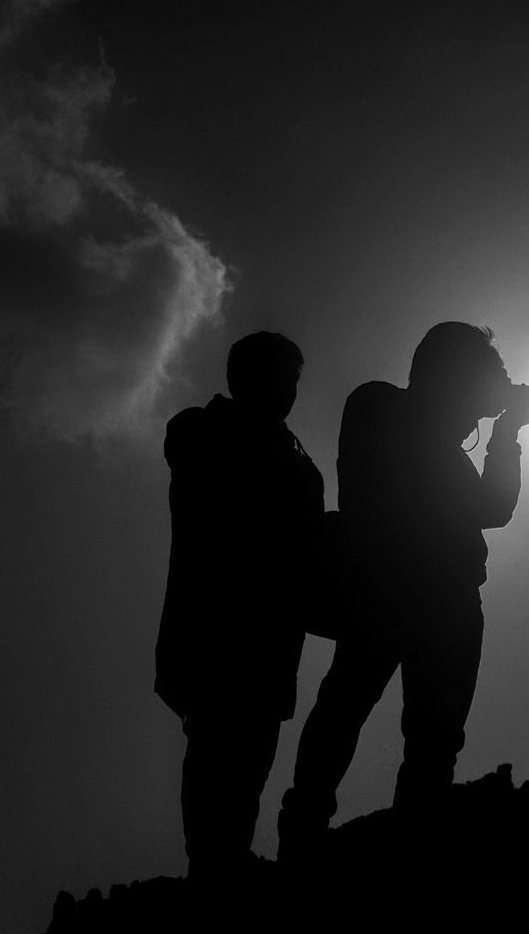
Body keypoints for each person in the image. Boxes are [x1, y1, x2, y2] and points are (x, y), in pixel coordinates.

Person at [278, 322, 529, 855]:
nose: (475, 413)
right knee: (347, 714)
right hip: (390, 593)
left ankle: (407, 841)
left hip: (428, 600)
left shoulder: (416, 431)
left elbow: (492, 509)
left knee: (426, 737)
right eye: (473, 394)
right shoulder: (381, 408)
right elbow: (485, 507)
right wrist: (504, 423)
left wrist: (506, 427)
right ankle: (310, 834)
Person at [155, 331, 324, 881]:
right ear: (249, 378)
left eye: (294, 382)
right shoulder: (203, 432)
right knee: (216, 757)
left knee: (247, 764)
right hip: (215, 634)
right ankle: (212, 869)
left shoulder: (295, 460)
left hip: (269, 643)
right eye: (283, 378)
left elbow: (310, 551)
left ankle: (224, 866)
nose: (289, 392)